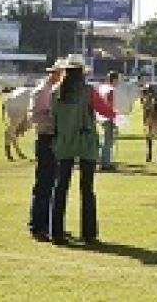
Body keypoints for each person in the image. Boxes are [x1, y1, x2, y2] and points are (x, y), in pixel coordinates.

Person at [49, 55, 115, 246]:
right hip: (86, 142)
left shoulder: (56, 92)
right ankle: (88, 233)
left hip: (63, 142)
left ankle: (57, 232)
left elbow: (53, 115)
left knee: (60, 188)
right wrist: (116, 116)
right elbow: (104, 110)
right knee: (87, 189)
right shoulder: (88, 91)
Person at [28, 58, 64, 241]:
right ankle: (38, 225)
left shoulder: (51, 90)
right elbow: (35, 116)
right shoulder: (44, 91)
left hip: (53, 138)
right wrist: (54, 120)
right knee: (45, 183)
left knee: (52, 183)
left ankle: (46, 224)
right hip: (46, 137)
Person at [98, 71, 119, 172]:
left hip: (100, 117)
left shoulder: (102, 87)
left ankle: (103, 160)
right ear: (114, 80)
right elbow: (109, 104)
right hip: (108, 118)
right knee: (108, 141)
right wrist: (113, 117)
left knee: (104, 140)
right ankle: (106, 163)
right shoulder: (111, 90)